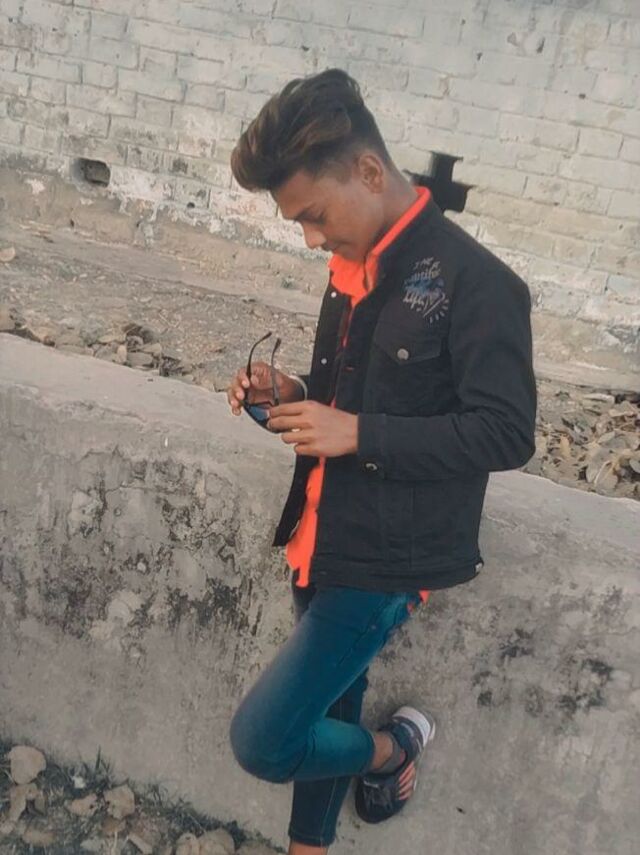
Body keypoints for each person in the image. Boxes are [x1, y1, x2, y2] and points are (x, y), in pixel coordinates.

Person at [226, 68, 537, 854]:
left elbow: (507, 433)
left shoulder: (481, 284)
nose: (311, 237)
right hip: (321, 531)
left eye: (314, 215)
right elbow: (349, 393)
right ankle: (310, 845)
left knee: (264, 740)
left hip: (386, 560)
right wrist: (291, 393)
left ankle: (393, 751)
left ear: (368, 171)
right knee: (333, 698)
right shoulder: (351, 263)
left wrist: (358, 433)